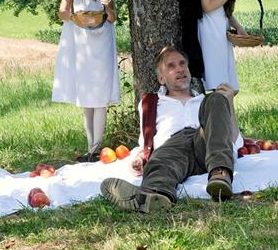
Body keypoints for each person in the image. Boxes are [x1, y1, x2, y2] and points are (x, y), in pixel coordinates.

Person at [101, 46, 242, 212]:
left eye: (183, 64)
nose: (180, 69)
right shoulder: (151, 102)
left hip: (205, 146)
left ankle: (220, 174)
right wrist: (139, 158)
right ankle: (154, 195)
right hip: (172, 150)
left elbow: (234, 141)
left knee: (216, 98)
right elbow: (145, 141)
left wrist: (228, 102)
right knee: (160, 161)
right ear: (161, 78)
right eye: (171, 66)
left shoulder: (206, 101)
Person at [52, 0, 120, 162]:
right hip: (80, 43)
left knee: (99, 95)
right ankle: (90, 146)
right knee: (86, 94)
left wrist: (107, 4)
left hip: (101, 41)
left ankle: (97, 148)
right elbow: (62, 14)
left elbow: (112, 18)